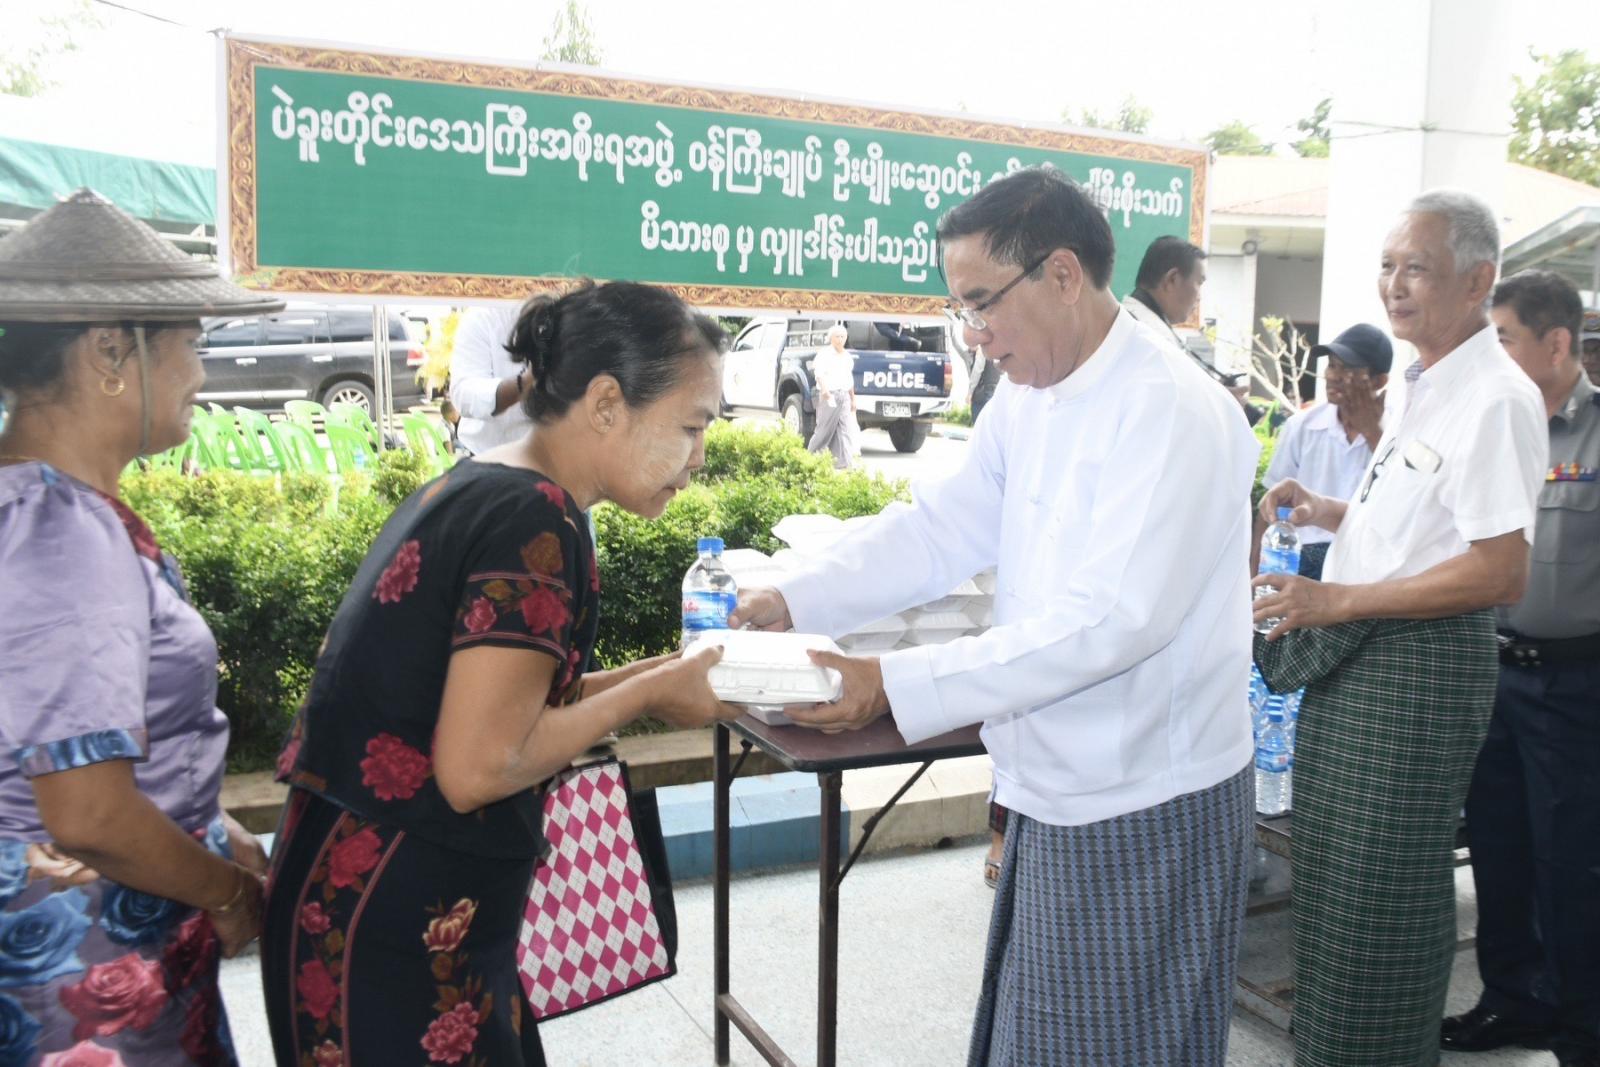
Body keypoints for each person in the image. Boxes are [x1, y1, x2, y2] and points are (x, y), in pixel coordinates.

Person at [732, 167, 1261, 1067]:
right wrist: (799, 595)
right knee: (1042, 1038)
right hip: (1053, 781)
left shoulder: (1171, 409)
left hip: (1143, 797)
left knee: (1116, 1048)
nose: (972, 333)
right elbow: (941, 528)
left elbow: (1111, 621)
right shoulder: (1030, 392)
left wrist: (891, 682)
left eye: (981, 304)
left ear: (1062, 274)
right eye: (961, 308)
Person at [261, 280, 742, 1066]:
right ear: (606, 402)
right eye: (691, 426)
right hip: (389, 922)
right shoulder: (536, 519)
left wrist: (663, 672)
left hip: (366, 894)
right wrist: (651, 693)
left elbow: (499, 704)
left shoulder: (489, 481)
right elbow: (481, 764)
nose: (699, 458)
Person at [1253, 189, 1548, 1067]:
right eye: (1387, 266)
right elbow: (1418, 530)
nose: (1393, 284)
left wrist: (1336, 601)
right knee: (1336, 887)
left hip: (1415, 664)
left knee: (1380, 895)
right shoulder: (1425, 383)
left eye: (1416, 267)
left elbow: (1499, 570)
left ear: (1477, 280)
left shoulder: (1495, 397)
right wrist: (1328, 509)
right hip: (1367, 653)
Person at [0, 189, 274, 1064]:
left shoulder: (42, 508)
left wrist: (204, 818)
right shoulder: (59, 531)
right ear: (111, 352)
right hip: (83, 964)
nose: (201, 376)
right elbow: (87, 811)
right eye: (193, 345)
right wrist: (225, 890)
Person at [1439, 269, 1600, 1067]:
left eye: (1501, 337)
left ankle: (1582, 1032)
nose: (1489, 351)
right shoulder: (1491, 424)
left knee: (1570, 866)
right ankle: (1513, 998)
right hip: (1491, 674)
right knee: (1499, 849)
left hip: (1574, 683)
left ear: (1556, 342)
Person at [1257, 323, 1391, 579]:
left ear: (1379, 381)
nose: (1334, 376)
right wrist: (1254, 578)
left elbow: (1401, 493)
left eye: (1348, 369)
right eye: (1332, 365)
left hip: (1366, 563)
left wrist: (1372, 433)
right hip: (1301, 558)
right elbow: (1270, 508)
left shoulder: (1397, 430)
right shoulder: (1301, 426)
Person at [447, 303, 530, 455]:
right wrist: (526, 382)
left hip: (563, 459)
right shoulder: (483, 317)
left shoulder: (571, 312)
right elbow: (465, 394)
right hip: (490, 456)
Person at [1122, 234, 1207, 347]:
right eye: (1199, 283)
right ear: (1172, 279)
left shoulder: (1122, 318)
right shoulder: (1155, 341)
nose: (1200, 297)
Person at [806, 323, 859, 469]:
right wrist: (825, 391)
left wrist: (853, 399)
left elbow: (849, 380)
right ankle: (810, 459)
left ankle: (845, 463)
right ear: (831, 338)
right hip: (829, 395)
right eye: (837, 336)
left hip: (844, 395)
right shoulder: (824, 354)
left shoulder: (847, 356)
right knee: (824, 430)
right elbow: (819, 374)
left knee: (845, 430)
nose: (840, 339)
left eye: (842, 336)